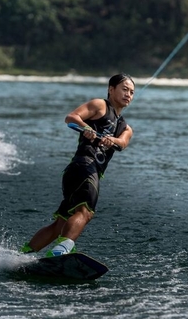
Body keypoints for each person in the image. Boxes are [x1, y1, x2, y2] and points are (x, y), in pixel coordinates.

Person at [20, 73, 135, 256]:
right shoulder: (100, 105)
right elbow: (71, 117)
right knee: (85, 211)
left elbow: (122, 143)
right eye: (124, 89)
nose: (128, 94)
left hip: (82, 172)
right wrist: (86, 128)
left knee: (60, 224)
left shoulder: (126, 128)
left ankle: (22, 254)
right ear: (111, 90)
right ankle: (61, 251)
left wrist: (111, 140)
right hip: (84, 167)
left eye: (131, 92)